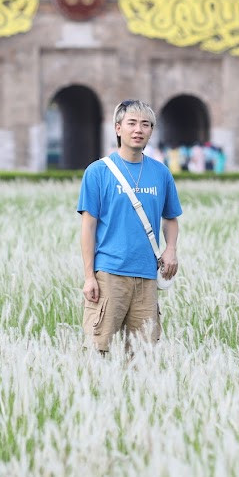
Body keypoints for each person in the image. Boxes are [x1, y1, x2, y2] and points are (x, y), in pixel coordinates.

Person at [77, 99, 182, 353]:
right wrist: (89, 276)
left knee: (143, 355)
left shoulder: (161, 173)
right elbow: (88, 227)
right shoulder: (97, 172)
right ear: (118, 128)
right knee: (97, 349)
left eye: (145, 124)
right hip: (109, 275)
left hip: (146, 276)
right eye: (132, 123)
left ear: (151, 131)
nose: (138, 130)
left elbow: (171, 218)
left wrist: (170, 250)